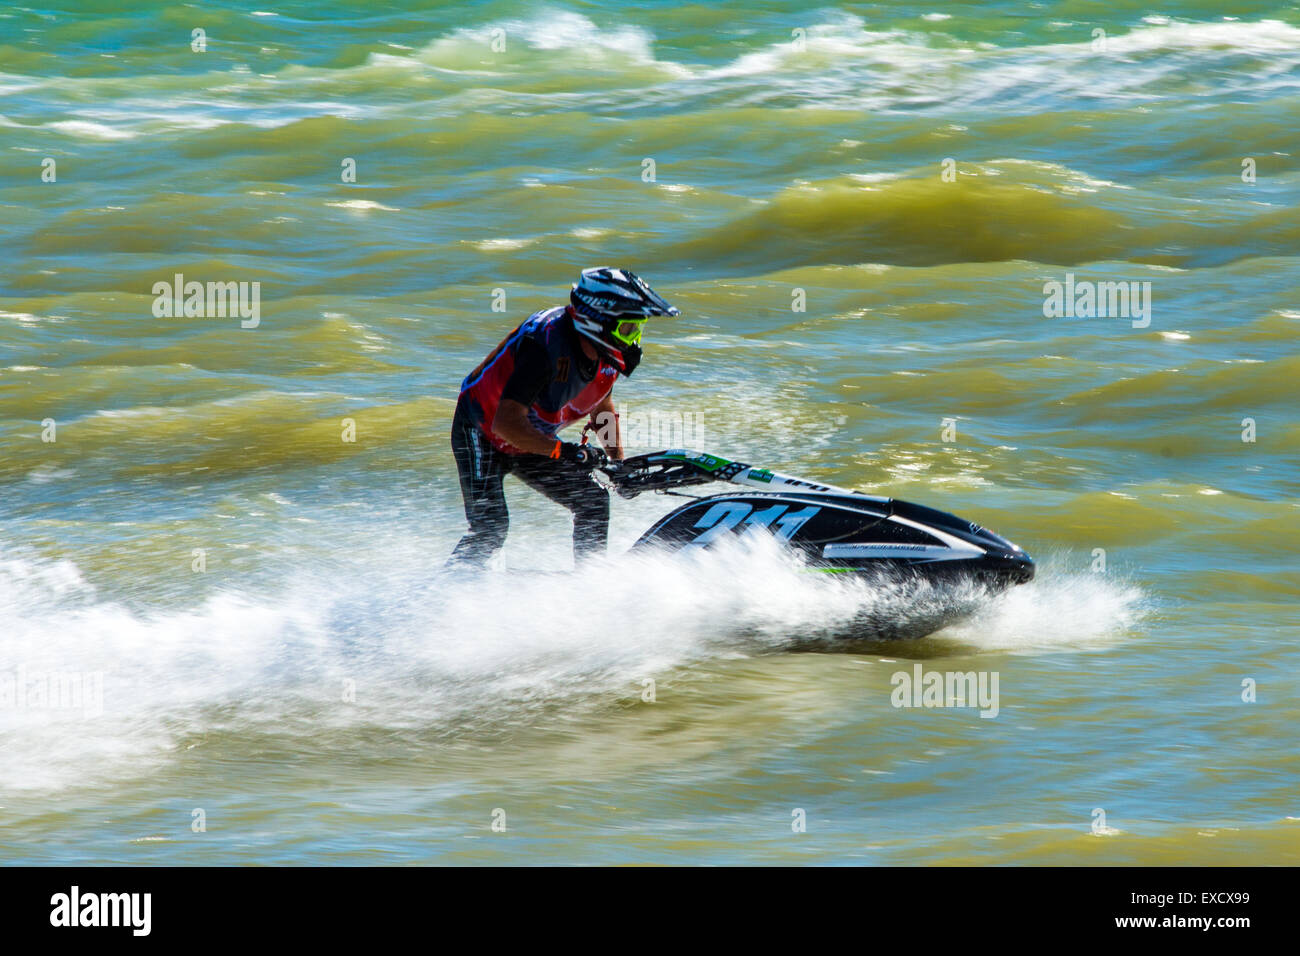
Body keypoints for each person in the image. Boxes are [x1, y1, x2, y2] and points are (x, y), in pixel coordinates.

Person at [448, 267, 679, 568]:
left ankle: (589, 587)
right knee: (490, 529)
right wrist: (563, 451)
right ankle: (442, 597)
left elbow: (601, 404)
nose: (634, 340)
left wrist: (619, 463)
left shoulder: (605, 355)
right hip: (481, 432)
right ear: (597, 321)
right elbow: (505, 424)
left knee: (593, 501)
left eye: (639, 329)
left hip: (529, 440)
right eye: (627, 329)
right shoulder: (543, 346)